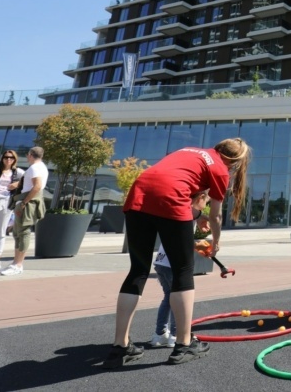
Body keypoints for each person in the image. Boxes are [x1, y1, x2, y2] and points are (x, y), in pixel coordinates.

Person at [103, 137, 251, 368]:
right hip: (170, 201)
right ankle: (183, 344)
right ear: (233, 162)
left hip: (139, 196)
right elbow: (216, 216)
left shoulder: (190, 150)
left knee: (138, 271)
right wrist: (217, 242)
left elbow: (172, 183)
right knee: (183, 271)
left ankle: (119, 347)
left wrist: (195, 215)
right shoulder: (220, 169)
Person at [151, 190, 211, 349]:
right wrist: (200, 244)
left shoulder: (178, 209)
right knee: (179, 299)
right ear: (199, 198)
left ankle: (159, 334)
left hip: (162, 261)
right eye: (206, 199)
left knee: (168, 298)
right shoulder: (188, 210)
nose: (206, 204)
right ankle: (176, 336)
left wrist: (199, 220)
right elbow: (181, 239)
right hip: (173, 263)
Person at [0, 146, 49, 276]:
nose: (27, 157)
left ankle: (18, 264)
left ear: (30, 155)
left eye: (28, 155)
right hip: (26, 201)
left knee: (23, 232)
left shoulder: (35, 168)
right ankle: (15, 263)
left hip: (27, 202)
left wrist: (24, 202)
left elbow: (37, 186)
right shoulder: (41, 167)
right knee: (18, 232)